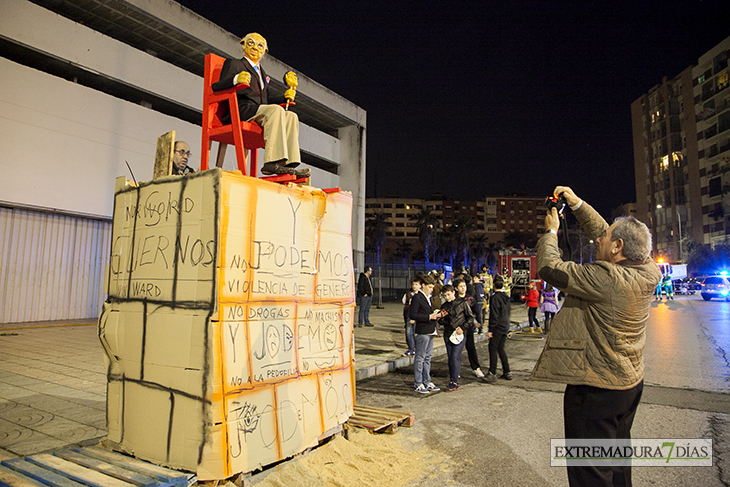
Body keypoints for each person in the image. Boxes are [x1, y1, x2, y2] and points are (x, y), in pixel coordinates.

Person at [532, 186, 661, 487]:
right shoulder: (648, 268)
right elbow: (607, 232)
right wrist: (577, 205)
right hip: (628, 383)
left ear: (617, 248)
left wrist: (551, 233)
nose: (598, 238)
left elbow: (550, 268)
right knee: (616, 461)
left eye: (605, 239)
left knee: (590, 470)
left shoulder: (607, 278)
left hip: (597, 389)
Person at [212, 32, 308, 177]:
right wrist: (236, 79)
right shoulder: (235, 64)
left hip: (257, 110)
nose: (255, 47)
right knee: (275, 111)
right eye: (251, 43)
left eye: (260, 45)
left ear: (265, 51)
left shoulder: (263, 74)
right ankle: (271, 162)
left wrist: (284, 96)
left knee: (291, 116)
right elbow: (216, 86)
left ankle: (287, 163)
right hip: (240, 109)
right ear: (243, 44)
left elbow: (265, 102)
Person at [410, 274, 442, 394]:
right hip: (423, 331)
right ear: (423, 285)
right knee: (420, 357)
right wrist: (429, 316)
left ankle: (427, 380)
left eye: (432, 287)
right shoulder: (417, 298)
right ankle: (418, 383)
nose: (431, 289)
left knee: (427, 357)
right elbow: (413, 315)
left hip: (431, 330)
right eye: (429, 287)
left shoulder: (429, 297)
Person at [438, 284, 473, 392]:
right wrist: (442, 318)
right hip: (448, 334)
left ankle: (454, 381)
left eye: (448, 294)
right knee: (450, 357)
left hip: (459, 334)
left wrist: (463, 328)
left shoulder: (462, 303)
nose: (447, 297)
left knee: (454, 357)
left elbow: (470, 318)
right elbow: (440, 322)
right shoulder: (444, 306)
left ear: (454, 292)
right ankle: (454, 375)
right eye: (445, 295)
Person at [454, 278, 484, 378]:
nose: (463, 288)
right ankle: (455, 371)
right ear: (456, 288)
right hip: (457, 328)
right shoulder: (454, 300)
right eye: (461, 286)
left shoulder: (471, 299)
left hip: (468, 327)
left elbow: (475, 313)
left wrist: (476, 322)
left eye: (464, 286)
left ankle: (476, 368)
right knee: (456, 351)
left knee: (471, 348)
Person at [485, 275, 512, 382]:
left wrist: (490, 329)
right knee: (501, 348)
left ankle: (492, 372)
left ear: (494, 285)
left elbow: (494, 315)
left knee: (492, 348)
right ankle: (507, 371)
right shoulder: (506, 298)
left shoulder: (494, 298)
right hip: (505, 325)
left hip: (498, 326)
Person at [401, 278, 420, 356]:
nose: (414, 286)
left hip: (417, 315)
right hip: (409, 313)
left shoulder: (420, 295)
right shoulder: (409, 293)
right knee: (409, 332)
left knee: (416, 333)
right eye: (413, 284)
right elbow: (404, 301)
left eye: (416, 284)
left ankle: (417, 348)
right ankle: (411, 348)